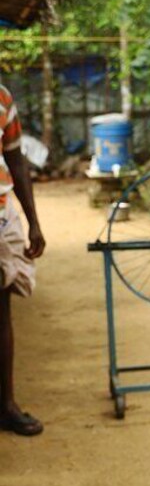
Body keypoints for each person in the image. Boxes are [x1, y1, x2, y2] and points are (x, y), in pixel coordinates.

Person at [0, 83, 46, 436]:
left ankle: (6, 406)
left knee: (1, 314)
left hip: (0, 218)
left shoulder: (2, 98)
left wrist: (33, 222)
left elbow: (15, 158)